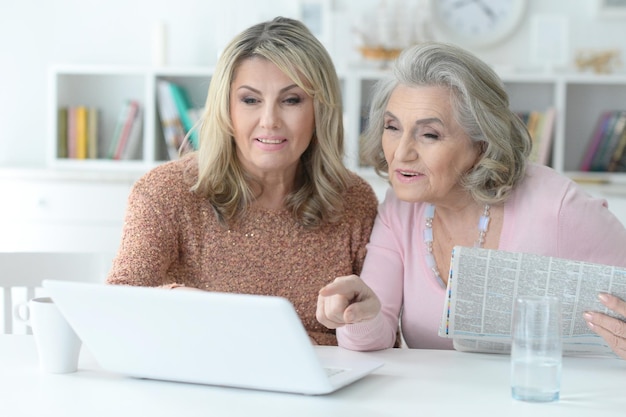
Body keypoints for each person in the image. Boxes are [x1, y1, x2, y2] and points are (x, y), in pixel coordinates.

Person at [315, 41, 626, 359]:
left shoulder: (556, 205)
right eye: (392, 127)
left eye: (429, 135)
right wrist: (359, 315)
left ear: (482, 142)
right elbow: (375, 333)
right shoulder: (400, 208)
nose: (401, 152)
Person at [106, 16, 378, 346]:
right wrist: (182, 301)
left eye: (291, 100)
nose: (269, 121)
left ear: (321, 110)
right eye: (250, 100)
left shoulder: (354, 200)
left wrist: (361, 318)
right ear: (226, 107)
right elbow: (117, 305)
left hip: (320, 386)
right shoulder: (166, 192)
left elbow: (380, 337)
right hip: (204, 385)